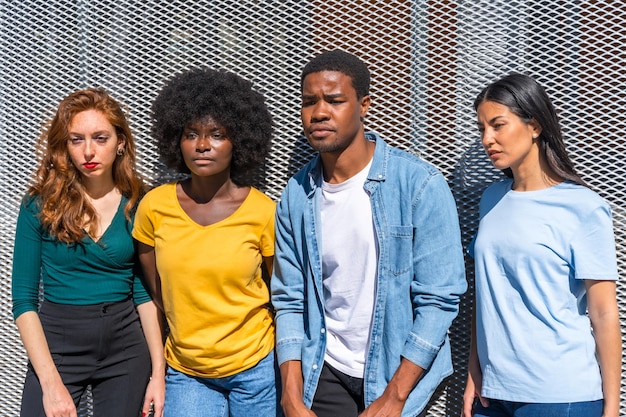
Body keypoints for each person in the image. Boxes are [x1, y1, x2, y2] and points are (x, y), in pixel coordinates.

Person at [271, 49, 467, 417]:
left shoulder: (418, 184)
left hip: (399, 375)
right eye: (309, 101)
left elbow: (439, 301)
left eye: (335, 100)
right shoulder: (297, 195)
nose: (319, 112)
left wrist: (394, 397)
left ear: (364, 105)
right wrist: (292, 396)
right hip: (323, 371)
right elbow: (289, 299)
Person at [462, 73, 621, 417]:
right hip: (493, 395)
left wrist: (612, 408)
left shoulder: (583, 207)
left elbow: (604, 312)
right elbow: (486, 294)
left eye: (498, 125)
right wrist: (475, 371)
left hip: (560, 395)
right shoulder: (490, 200)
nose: (487, 139)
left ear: (534, 125)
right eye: (481, 129)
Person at [132, 67, 279, 417]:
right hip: (187, 371)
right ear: (175, 139)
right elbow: (156, 288)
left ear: (239, 140)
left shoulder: (263, 211)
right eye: (191, 134)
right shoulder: (154, 206)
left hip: (255, 367)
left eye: (217, 134)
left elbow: (281, 293)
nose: (201, 145)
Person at [11, 88, 165, 417]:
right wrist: (51, 384)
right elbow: (23, 300)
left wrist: (158, 372)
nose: (89, 151)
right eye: (76, 139)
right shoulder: (39, 205)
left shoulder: (139, 202)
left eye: (100, 137)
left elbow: (143, 291)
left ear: (120, 142)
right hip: (59, 343)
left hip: (126, 347)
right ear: (64, 146)